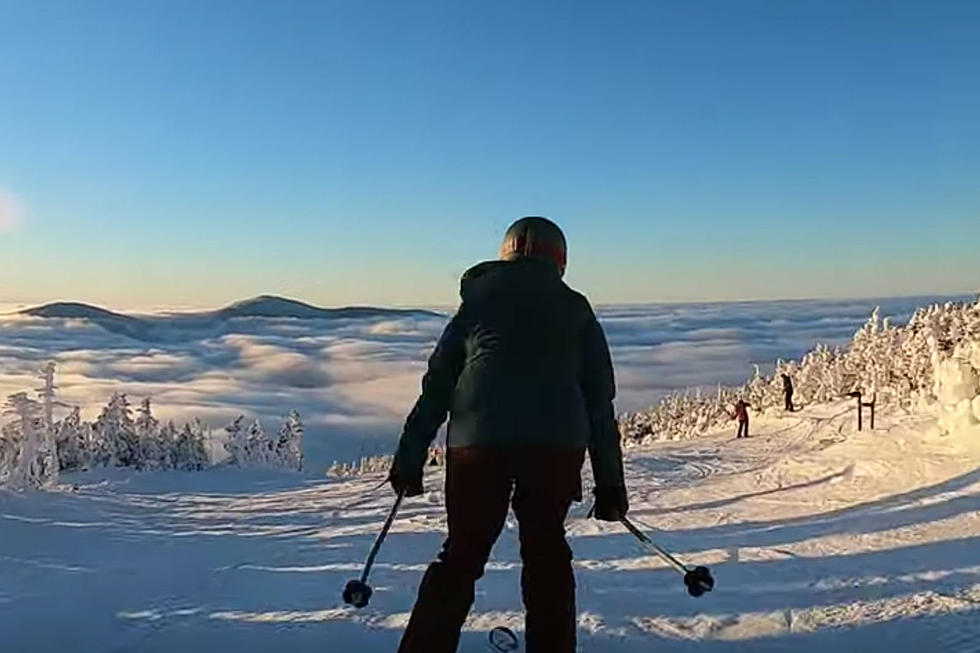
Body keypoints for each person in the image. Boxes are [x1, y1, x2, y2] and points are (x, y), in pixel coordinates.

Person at [388, 217, 628, 653]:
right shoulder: (576, 310)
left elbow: (437, 387)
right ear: (560, 260)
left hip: (476, 447)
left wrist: (410, 457)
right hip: (555, 449)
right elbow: (598, 403)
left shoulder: (475, 305)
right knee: (547, 553)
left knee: (461, 556)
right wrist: (610, 483)